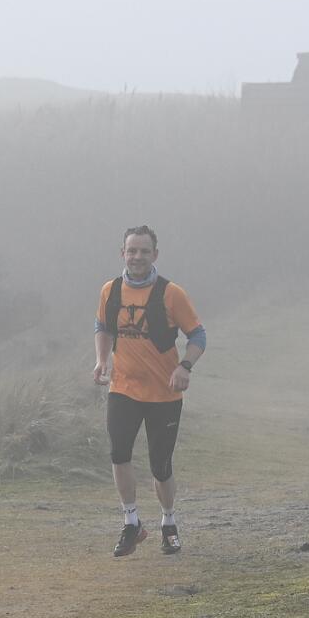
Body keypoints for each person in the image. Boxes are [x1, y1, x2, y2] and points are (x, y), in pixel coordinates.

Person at [92, 225, 206, 556]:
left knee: (161, 465)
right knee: (119, 452)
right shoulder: (111, 291)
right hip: (123, 388)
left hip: (164, 393)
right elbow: (102, 326)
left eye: (144, 251)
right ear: (122, 253)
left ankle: (169, 523)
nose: (137, 257)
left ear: (155, 255)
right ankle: (131, 523)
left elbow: (198, 335)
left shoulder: (171, 294)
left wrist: (184, 367)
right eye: (132, 251)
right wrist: (102, 360)